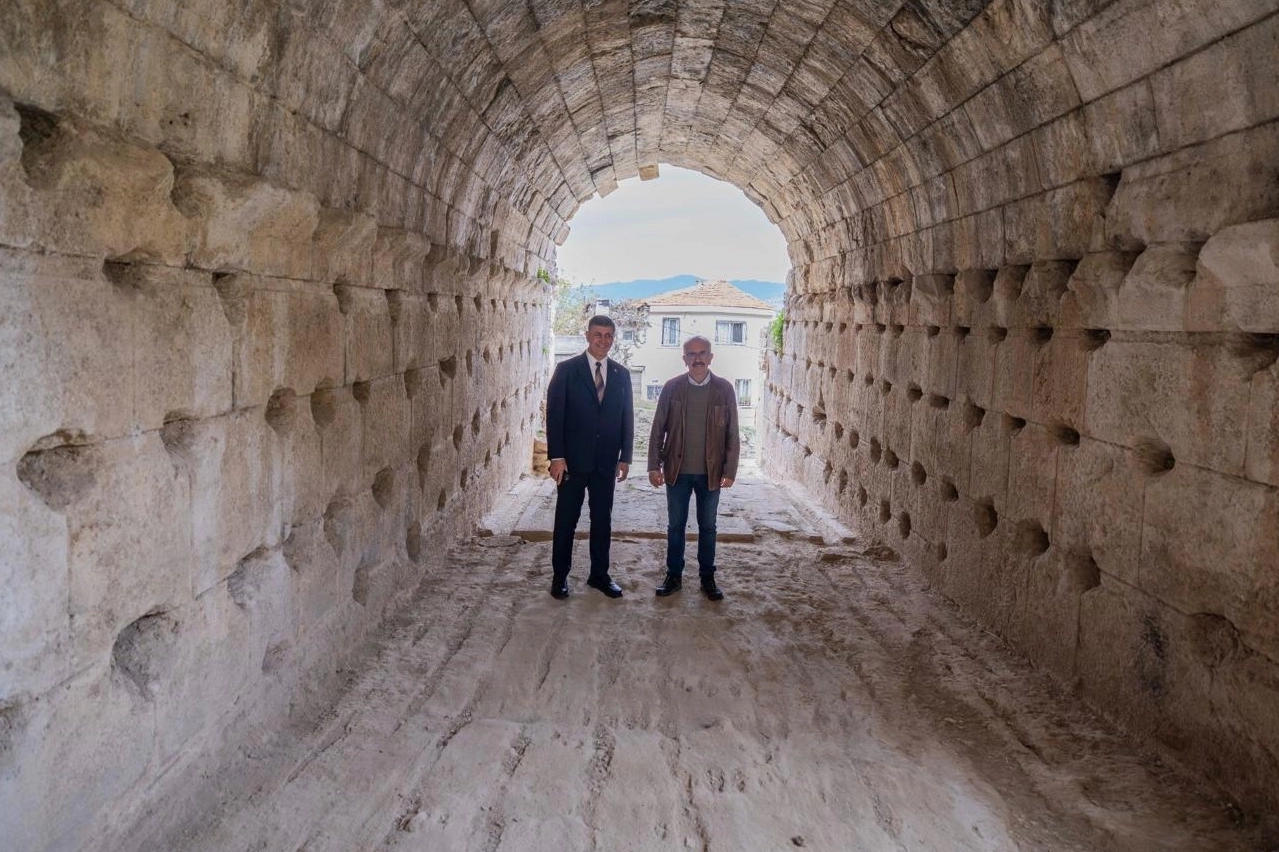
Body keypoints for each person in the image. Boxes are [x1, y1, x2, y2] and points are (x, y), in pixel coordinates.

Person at [545, 315, 634, 599]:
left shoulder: (621, 374)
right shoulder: (567, 370)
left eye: (608, 335)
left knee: (602, 521)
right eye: (598, 334)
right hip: (571, 462)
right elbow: (554, 416)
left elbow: (627, 417)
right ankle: (560, 576)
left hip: (605, 462)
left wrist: (625, 456)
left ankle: (599, 575)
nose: (603, 340)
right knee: (566, 521)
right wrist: (556, 457)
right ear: (587, 336)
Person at [646, 335, 740, 600]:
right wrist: (654, 465)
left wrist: (730, 470)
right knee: (676, 526)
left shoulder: (724, 389)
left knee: (708, 527)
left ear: (711, 357)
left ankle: (707, 577)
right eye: (691, 354)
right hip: (677, 471)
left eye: (702, 353)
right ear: (684, 359)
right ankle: (673, 575)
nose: (697, 358)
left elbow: (733, 433)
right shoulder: (672, 388)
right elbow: (658, 428)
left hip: (711, 473)